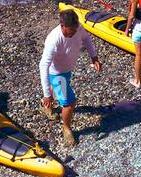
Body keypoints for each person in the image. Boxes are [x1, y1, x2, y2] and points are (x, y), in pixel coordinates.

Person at [39, 9, 101, 146]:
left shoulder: (78, 28)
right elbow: (43, 65)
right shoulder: (53, 39)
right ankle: (66, 128)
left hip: (67, 69)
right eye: (70, 31)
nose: (73, 33)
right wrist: (46, 94)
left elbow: (86, 38)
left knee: (60, 92)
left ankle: (46, 107)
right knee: (69, 103)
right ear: (62, 25)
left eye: (74, 29)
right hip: (57, 73)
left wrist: (94, 57)